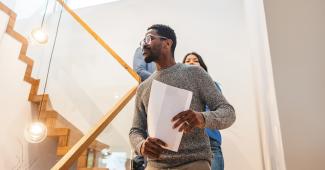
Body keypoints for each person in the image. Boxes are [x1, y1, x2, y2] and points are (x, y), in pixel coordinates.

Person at [129, 24, 236, 170]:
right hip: (155, 166)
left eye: (149, 38)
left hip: (193, 163)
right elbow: (135, 130)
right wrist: (141, 145)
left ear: (167, 43)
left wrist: (202, 118)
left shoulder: (195, 74)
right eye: (142, 41)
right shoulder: (143, 88)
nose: (144, 45)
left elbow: (228, 112)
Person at [182, 52, 224, 170]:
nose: (191, 62)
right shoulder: (178, 87)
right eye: (187, 60)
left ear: (202, 67)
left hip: (210, 139)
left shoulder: (212, 85)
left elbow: (220, 111)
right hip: (186, 142)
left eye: (195, 60)